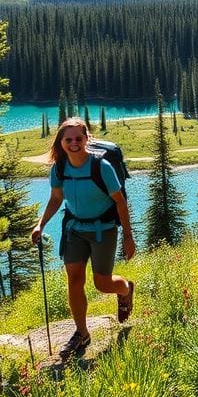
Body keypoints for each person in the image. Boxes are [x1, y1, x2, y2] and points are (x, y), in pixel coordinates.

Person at [31, 117, 136, 360]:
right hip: (75, 229)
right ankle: (81, 332)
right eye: (69, 139)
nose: (74, 143)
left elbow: (120, 202)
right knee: (74, 280)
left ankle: (126, 288)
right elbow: (56, 199)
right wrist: (40, 224)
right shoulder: (58, 168)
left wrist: (128, 237)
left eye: (79, 138)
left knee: (102, 283)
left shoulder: (101, 167)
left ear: (87, 139)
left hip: (104, 228)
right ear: (62, 142)